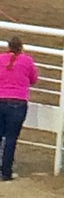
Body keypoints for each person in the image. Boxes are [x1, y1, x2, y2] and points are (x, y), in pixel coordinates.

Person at [0, 37, 38, 181]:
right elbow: (33, 79)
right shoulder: (27, 61)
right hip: (18, 102)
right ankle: (6, 171)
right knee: (11, 138)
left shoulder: (1, 58)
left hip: (1, 99)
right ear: (21, 47)